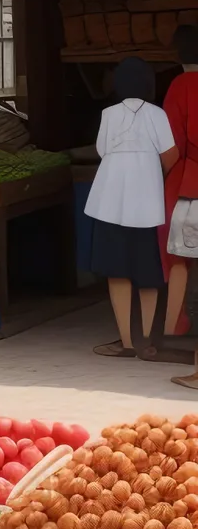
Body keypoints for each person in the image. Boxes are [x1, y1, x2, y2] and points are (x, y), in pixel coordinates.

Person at [86, 57, 177, 358]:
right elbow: (171, 155)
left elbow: (102, 150)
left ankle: (124, 342)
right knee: (148, 272)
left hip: (110, 200)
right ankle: (148, 341)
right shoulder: (157, 114)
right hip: (147, 204)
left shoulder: (108, 114)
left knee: (117, 271)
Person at [159, 25, 198, 350]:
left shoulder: (180, 86)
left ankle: (176, 325)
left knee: (178, 259)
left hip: (187, 184)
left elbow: (173, 148)